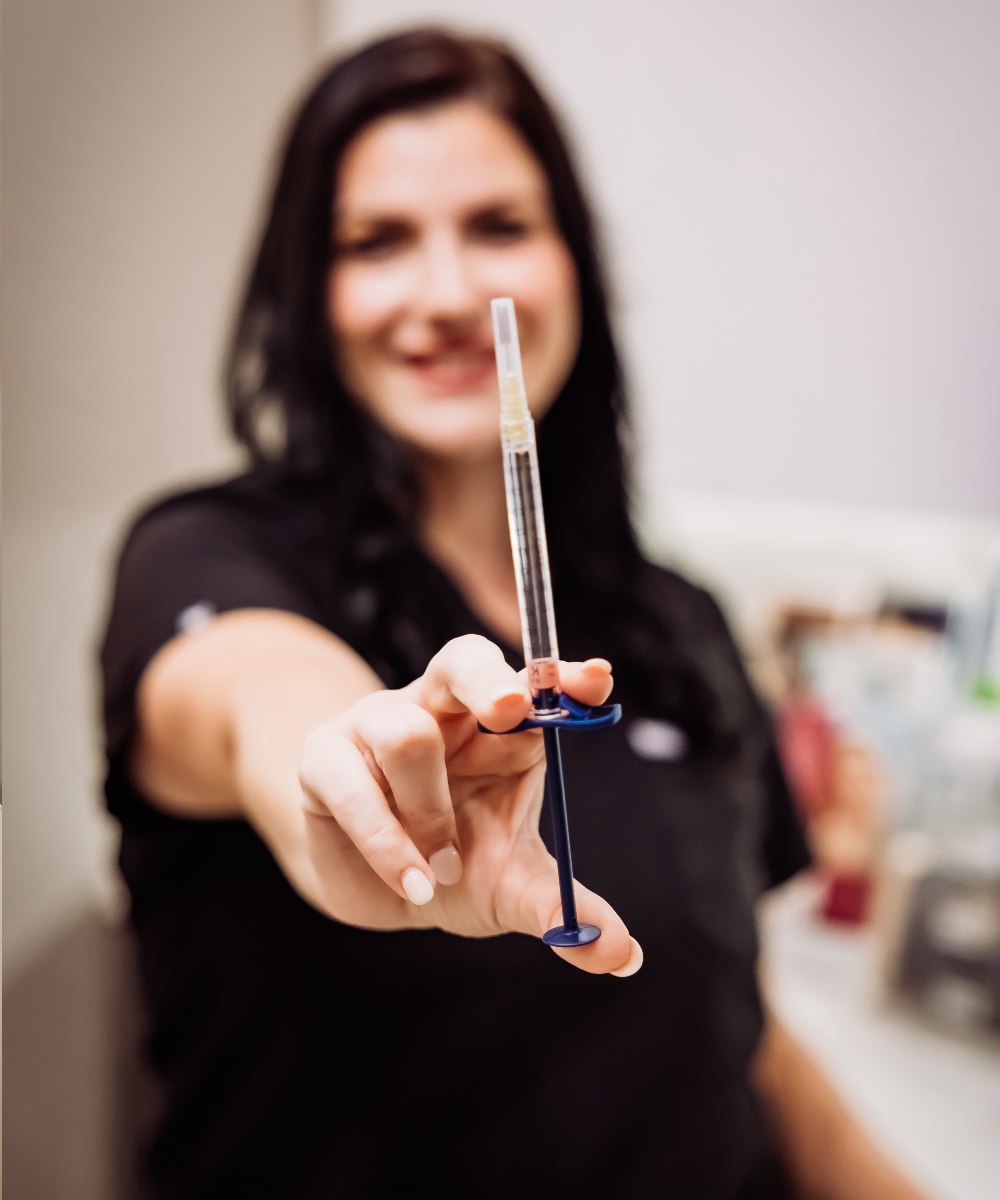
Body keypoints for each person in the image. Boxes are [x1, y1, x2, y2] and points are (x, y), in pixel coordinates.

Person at [101, 29, 927, 1200]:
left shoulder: (672, 620)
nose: (446, 294)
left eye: (499, 227)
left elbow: (734, 1027)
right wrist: (349, 777)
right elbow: (254, 695)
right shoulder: (209, 548)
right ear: (307, 288)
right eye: (376, 241)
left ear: (572, 261)